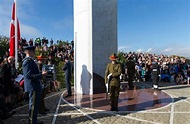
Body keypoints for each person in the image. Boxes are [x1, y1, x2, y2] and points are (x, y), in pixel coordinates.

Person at [22, 46, 47, 124]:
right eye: (33, 51)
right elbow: (28, 76)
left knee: (35, 106)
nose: (34, 53)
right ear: (28, 52)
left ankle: (34, 120)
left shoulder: (30, 61)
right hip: (33, 86)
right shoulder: (27, 61)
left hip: (35, 86)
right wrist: (41, 75)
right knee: (33, 106)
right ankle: (32, 122)